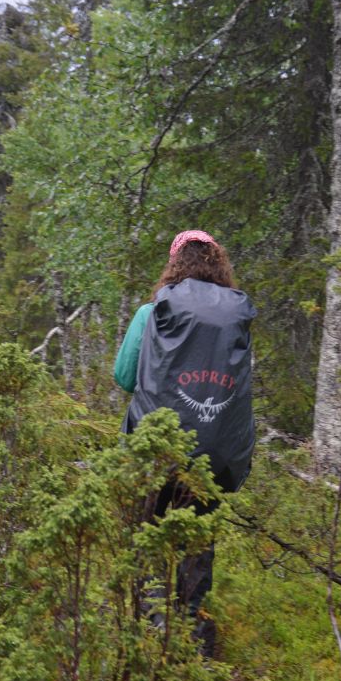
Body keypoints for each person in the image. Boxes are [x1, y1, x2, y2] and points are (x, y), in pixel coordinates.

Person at [113, 230, 256, 654]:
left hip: (156, 448)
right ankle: (191, 632)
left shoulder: (153, 311)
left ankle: (151, 627)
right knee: (196, 540)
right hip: (215, 450)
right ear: (218, 263)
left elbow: (124, 376)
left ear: (175, 264)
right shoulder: (236, 317)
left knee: (148, 531)